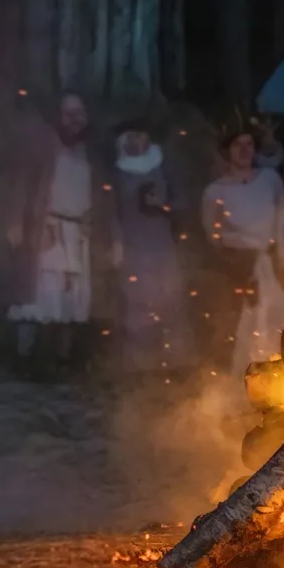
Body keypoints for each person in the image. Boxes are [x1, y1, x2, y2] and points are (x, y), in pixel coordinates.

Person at [6, 92, 116, 380]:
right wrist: (16, 222)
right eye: (69, 113)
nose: (74, 119)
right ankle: (24, 359)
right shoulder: (43, 148)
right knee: (38, 295)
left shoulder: (90, 154)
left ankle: (61, 361)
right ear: (58, 117)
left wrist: (110, 235)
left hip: (79, 233)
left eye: (79, 113)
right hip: (48, 227)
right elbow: (23, 184)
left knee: (71, 297)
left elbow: (104, 198)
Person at [201, 124, 284, 371]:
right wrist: (238, 259)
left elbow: (282, 211)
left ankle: (280, 376)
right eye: (237, 145)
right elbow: (213, 234)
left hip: (269, 261)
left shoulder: (269, 179)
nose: (244, 150)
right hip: (240, 266)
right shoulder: (216, 191)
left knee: (276, 317)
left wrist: (279, 252)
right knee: (246, 323)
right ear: (228, 150)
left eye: (249, 144)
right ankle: (244, 379)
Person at [111, 120, 196, 380]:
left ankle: (177, 363)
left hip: (162, 244)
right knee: (137, 304)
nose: (136, 141)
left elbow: (182, 201)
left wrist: (165, 204)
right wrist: (116, 244)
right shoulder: (117, 171)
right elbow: (112, 210)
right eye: (131, 136)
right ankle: (140, 367)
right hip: (134, 246)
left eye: (141, 135)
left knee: (170, 300)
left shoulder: (163, 165)